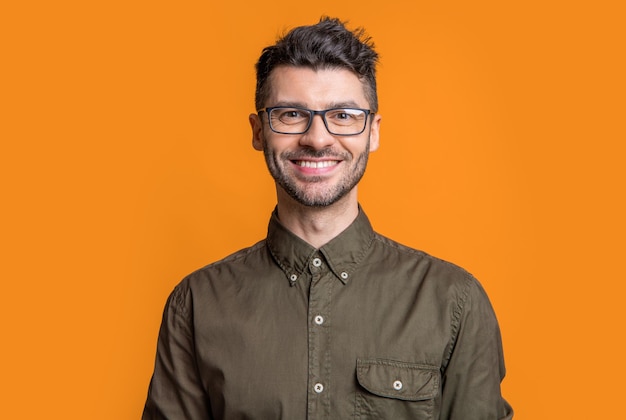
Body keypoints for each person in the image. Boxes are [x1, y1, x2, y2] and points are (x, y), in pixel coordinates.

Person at [142, 16, 513, 419]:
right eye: (290, 115)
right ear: (257, 131)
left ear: (372, 132)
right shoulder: (196, 305)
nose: (317, 139)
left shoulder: (454, 302)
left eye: (344, 116)